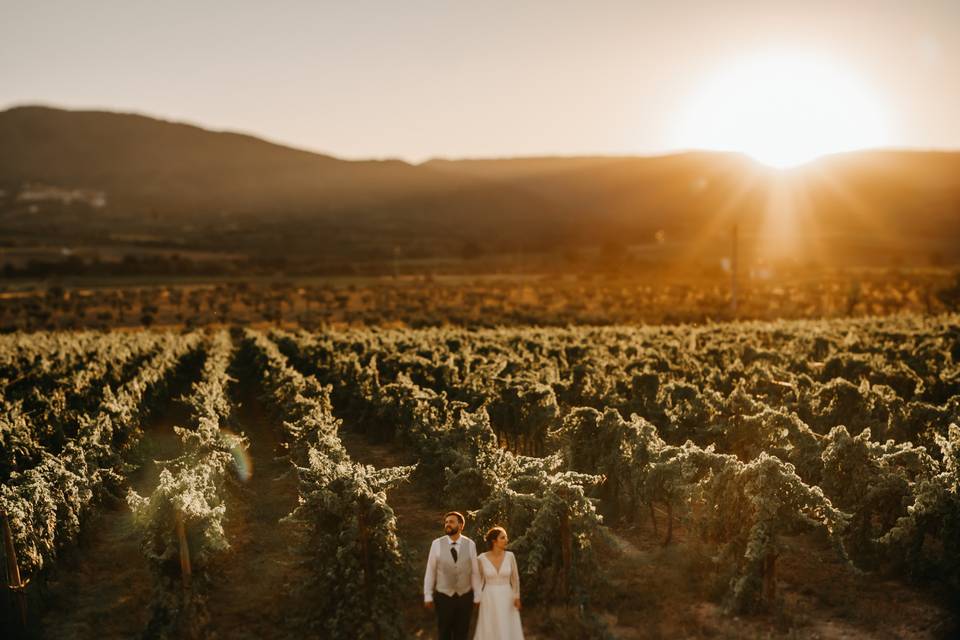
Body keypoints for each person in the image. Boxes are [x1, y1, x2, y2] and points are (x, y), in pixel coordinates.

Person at [424, 511, 482, 640]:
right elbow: (430, 571)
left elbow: (475, 572)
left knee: (462, 632)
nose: (447, 524)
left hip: (465, 596)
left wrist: (478, 595)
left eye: (451, 522)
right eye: (446, 522)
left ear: (461, 526)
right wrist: (427, 594)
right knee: (444, 632)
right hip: (444, 596)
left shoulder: (470, 544)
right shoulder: (436, 544)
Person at [474, 526, 524, 640]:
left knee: (507, 625)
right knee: (490, 626)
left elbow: (515, 578)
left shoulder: (510, 556)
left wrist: (517, 596)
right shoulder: (481, 558)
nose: (506, 540)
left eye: (506, 537)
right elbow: (479, 580)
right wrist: (478, 597)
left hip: (507, 595)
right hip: (488, 597)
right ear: (494, 541)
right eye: (503, 537)